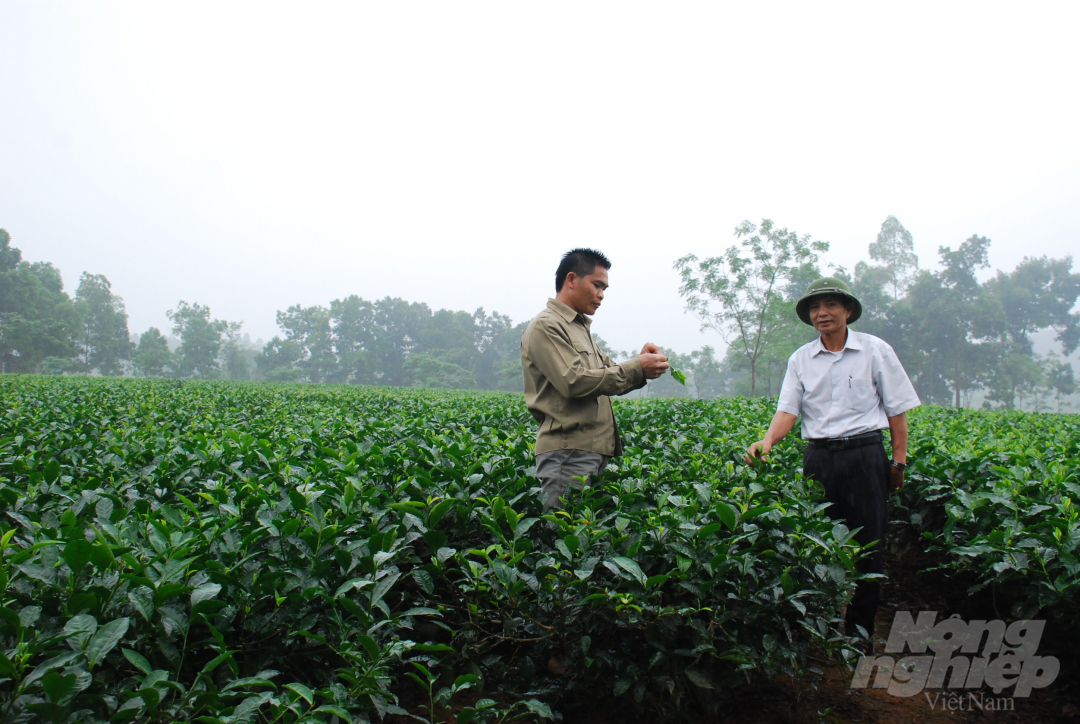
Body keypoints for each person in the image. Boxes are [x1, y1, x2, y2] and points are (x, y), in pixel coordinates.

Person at [745, 277, 920, 648]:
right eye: (814, 307)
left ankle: (858, 639)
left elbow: (897, 410)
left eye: (830, 305)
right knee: (814, 543)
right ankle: (818, 632)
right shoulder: (801, 359)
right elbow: (788, 410)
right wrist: (768, 441)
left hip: (865, 455)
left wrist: (898, 462)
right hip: (819, 459)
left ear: (848, 311)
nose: (822, 313)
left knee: (868, 549)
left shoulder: (875, 351)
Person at [521, 248, 670, 508]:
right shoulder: (547, 325)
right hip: (567, 453)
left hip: (591, 451)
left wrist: (641, 364)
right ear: (571, 279)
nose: (601, 295)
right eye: (597, 285)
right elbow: (574, 382)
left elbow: (607, 373)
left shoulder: (579, 328)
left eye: (605, 289)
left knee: (586, 540)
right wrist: (637, 368)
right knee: (565, 539)